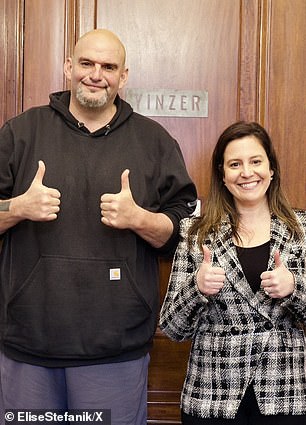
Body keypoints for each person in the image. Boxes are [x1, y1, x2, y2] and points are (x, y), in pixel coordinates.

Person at [0, 29, 197, 424]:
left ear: (123, 76)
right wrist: (17, 207)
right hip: (28, 346)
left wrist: (139, 218)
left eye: (108, 67)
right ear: (69, 67)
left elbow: (183, 231)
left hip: (116, 350)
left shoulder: (154, 141)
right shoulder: (21, 133)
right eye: (87, 63)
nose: (96, 74)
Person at [159, 121, 306, 425]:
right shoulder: (195, 234)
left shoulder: (301, 230)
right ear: (223, 175)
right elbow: (173, 329)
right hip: (212, 395)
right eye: (235, 164)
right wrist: (196, 288)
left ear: (271, 168)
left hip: (284, 393)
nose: (247, 173)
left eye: (256, 161)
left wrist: (295, 287)